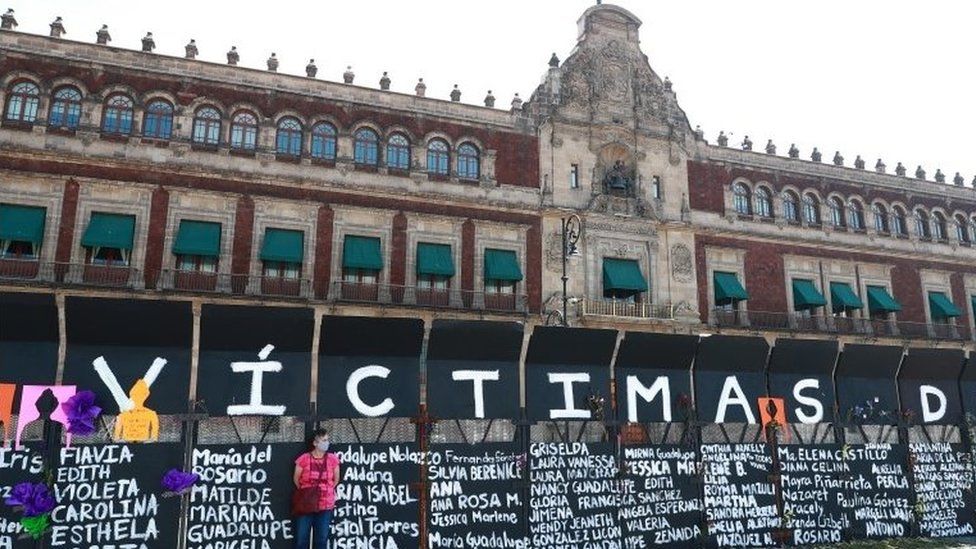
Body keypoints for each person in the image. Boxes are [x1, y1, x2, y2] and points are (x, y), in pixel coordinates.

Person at [293, 428, 341, 549]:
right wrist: (307, 491)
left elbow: (336, 480)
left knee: (321, 539)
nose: (327, 443)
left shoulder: (333, 459)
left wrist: (326, 490)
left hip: (326, 505)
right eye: (323, 440)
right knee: (301, 539)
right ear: (315, 443)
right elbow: (296, 479)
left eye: (327, 440)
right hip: (306, 504)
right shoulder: (303, 458)